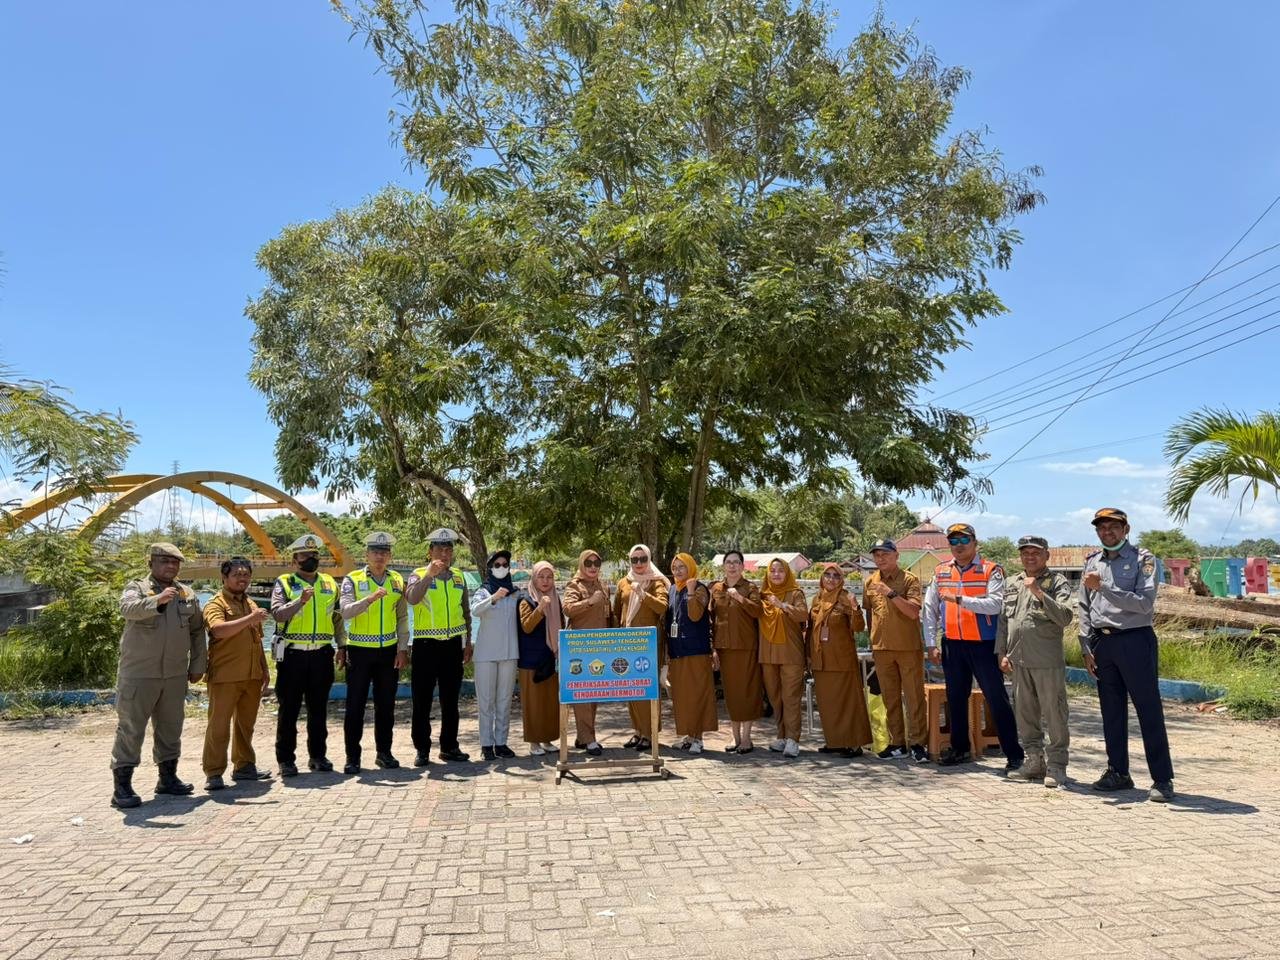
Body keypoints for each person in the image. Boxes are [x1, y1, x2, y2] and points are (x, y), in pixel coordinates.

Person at [1079, 508, 1175, 802]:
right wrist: (1085, 645)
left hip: (1135, 641)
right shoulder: (1092, 561)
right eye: (1101, 528)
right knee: (1111, 712)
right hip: (1102, 643)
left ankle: (1162, 779)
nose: (1107, 532)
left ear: (1126, 529)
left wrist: (1104, 587)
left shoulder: (1143, 560)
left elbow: (1144, 604)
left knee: (1148, 711)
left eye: (1113, 527)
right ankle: (1118, 772)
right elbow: (1083, 605)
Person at [109, 543, 208, 809]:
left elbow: (198, 631)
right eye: (165, 561)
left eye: (175, 562)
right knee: (131, 729)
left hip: (174, 675)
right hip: (139, 674)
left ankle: (167, 779)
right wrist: (157, 600)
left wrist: (198, 664)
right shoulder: (137, 588)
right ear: (151, 562)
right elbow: (126, 609)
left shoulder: (187, 593)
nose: (171, 566)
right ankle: (122, 787)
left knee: (171, 728)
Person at [922, 523, 1024, 771]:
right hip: (953, 644)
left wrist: (960, 600)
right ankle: (959, 749)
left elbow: (995, 605)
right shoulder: (941, 570)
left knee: (995, 697)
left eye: (963, 541)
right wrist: (931, 643)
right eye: (953, 542)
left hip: (984, 644)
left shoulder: (991, 570)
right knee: (956, 698)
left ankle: (1013, 752)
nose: (958, 546)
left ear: (975, 543)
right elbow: (930, 608)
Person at [998, 536, 1074, 788]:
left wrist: (1039, 592)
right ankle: (1034, 761)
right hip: (1019, 660)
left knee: (1054, 713)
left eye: (1035, 553)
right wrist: (1002, 653)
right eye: (1025, 553)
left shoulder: (1057, 582)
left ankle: (1057, 765)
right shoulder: (1012, 583)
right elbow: (1003, 622)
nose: (1030, 557)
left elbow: (1065, 617)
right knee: (1025, 713)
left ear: (1047, 555)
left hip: (1046, 660)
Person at [270, 535, 344, 776]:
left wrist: (342, 645)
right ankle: (286, 760)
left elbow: (337, 618)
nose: (310, 559)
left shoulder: (329, 583)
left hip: (321, 654)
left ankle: (318, 756)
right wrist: (299, 601)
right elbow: (278, 615)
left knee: (318, 709)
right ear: (295, 559)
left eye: (314, 555)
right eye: (304, 555)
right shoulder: (285, 582)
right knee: (289, 709)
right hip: (293, 655)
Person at [339, 531, 409, 774]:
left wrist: (402, 648)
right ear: (366, 555)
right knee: (355, 705)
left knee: (386, 705)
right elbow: (346, 612)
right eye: (375, 552)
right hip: (359, 650)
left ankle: (384, 752)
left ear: (389, 556)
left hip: (388, 651)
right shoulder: (352, 579)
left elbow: (402, 617)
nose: (379, 556)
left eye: (384, 552)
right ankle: (353, 757)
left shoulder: (397, 580)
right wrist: (369, 599)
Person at [201, 557, 272, 790]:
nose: (242, 579)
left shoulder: (250, 603)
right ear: (224, 577)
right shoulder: (216, 603)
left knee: (245, 725)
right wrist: (250, 618)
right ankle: (213, 772)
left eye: (246, 575)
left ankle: (244, 766)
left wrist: (264, 668)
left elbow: (257, 639)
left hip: (251, 675)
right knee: (218, 726)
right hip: (225, 675)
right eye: (237, 574)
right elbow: (218, 630)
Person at [404, 527, 473, 765]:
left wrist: (468, 641)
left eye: (448, 549)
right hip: (426, 645)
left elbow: (466, 612)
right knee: (422, 700)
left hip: (452, 645)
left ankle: (449, 746)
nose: (444, 554)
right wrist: (429, 575)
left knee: (450, 700)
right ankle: (422, 749)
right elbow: (412, 598)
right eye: (440, 549)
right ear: (430, 551)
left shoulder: (458, 576)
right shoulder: (417, 574)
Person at [862, 539, 928, 763]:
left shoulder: (909, 579)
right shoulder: (870, 582)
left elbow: (912, 612)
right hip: (882, 649)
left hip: (908, 648)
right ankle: (897, 742)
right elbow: (870, 614)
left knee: (914, 697)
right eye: (877, 555)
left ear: (896, 555)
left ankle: (919, 743)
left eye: (885, 554)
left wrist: (891, 593)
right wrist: (873, 640)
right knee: (890, 698)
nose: (881, 559)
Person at [808, 564, 872, 758]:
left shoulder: (845, 597)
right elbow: (811, 630)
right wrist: (808, 656)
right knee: (827, 705)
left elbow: (859, 627)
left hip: (841, 660)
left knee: (847, 703)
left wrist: (855, 607)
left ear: (841, 579)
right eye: (827, 575)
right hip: (821, 660)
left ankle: (853, 744)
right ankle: (835, 741)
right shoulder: (817, 598)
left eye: (836, 575)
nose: (831, 578)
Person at [613, 544, 669, 750]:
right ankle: (638, 731)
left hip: (649, 645)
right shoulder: (623, 582)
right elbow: (617, 611)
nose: (638, 563)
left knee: (647, 689)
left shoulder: (656, 582)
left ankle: (650, 733)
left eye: (642, 559)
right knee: (631, 690)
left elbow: (662, 607)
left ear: (649, 559)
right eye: (634, 560)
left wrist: (644, 594)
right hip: (627, 644)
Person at [709, 549, 764, 753]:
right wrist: (713, 648)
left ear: (742, 566)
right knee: (731, 693)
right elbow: (712, 621)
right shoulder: (716, 588)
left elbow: (758, 611)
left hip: (746, 646)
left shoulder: (749, 587)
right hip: (724, 648)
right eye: (728, 562)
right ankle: (735, 737)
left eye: (736, 562)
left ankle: (747, 738)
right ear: (724, 566)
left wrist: (741, 599)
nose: (732, 566)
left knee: (747, 691)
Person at [560, 549, 613, 756]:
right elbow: (568, 609)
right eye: (588, 563)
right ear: (582, 564)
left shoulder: (602, 585)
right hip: (579, 647)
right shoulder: (575, 585)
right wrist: (590, 601)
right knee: (581, 693)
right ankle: (589, 739)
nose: (593, 567)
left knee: (593, 694)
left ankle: (583, 737)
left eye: (596, 563)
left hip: (599, 647)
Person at [470, 550, 520, 760]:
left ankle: (501, 742)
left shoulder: (516, 592)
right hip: (486, 654)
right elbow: (474, 610)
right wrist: (493, 597)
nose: (501, 568)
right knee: (486, 701)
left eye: (505, 564)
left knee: (504, 700)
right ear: (490, 568)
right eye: (497, 565)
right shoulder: (483, 591)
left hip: (509, 653)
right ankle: (486, 744)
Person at [666, 553, 718, 754]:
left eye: (682, 567)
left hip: (696, 650)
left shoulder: (699, 589)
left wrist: (689, 591)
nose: (678, 571)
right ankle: (688, 736)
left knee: (697, 695)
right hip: (677, 651)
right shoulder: (672, 589)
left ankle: (698, 738)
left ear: (690, 568)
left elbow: (695, 615)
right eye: (675, 567)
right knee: (682, 697)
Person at [758, 558, 808, 758]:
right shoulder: (762, 596)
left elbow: (803, 615)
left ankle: (793, 739)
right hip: (768, 655)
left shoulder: (795, 593)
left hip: (790, 654)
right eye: (773, 571)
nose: (776, 574)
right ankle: (782, 735)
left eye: (780, 571)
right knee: (775, 698)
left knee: (791, 698)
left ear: (787, 573)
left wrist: (782, 605)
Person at [516, 561, 562, 756]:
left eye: (549, 577)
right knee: (533, 704)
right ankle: (534, 742)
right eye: (541, 577)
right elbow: (526, 626)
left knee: (549, 702)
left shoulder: (555, 598)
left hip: (549, 658)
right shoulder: (525, 599)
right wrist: (540, 608)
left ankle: (547, 739)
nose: (545, 581)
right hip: (530, 660)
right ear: (533, 578)